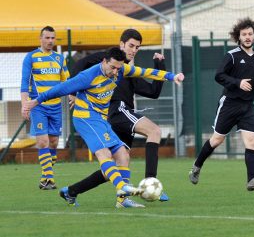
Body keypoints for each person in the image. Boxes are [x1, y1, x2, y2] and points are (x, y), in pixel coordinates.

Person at [23, 47, 184, 208]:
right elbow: (60, 89)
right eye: (112, 67)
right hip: (85, 118)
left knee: (122, 155)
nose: (115, 72)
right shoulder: (89, 76)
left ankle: (118, 200)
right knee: (104, 154)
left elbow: (145, 72)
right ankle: (122, 187)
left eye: (118, 68)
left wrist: (171, 76)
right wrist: (35, 102)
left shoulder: (121, 69)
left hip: (101, 119)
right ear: (104, 62)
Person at [59, 29, 169, 208]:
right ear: (121, 44)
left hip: (117, 116)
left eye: (137, 47)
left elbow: (153, 92)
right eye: (131, 45)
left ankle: (71, 191)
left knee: (118, 163)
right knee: (154, 131)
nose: (133, 50)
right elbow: (79, 65)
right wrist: (72, 93)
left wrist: (159, 66)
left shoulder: (128, 71)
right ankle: (151, 182)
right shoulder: (106, 58)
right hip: (116, 110)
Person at [188, 17, 254, 191]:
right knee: (217, 139)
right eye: (244, 34)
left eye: (250, 34)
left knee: (251, 140)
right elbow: (219, 76)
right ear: (238, 37)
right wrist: (238, 82)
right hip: (230, 104)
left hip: (247, 106)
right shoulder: (232, 56)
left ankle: (252, 179)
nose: (247, 37)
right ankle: (197, 166)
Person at [20, 26, 70, 190]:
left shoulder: (59, 58)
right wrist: (24, 105)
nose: (50, 41)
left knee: (54, 143)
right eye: (47, 38)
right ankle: (50, 179)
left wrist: (72, 95)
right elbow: (24, 83)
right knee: (43, 142)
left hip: (55, 106)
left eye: (52, 38)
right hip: (38, 106)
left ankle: (44, 177)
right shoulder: (31, 57)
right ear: (40, 39)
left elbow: (67, 81)